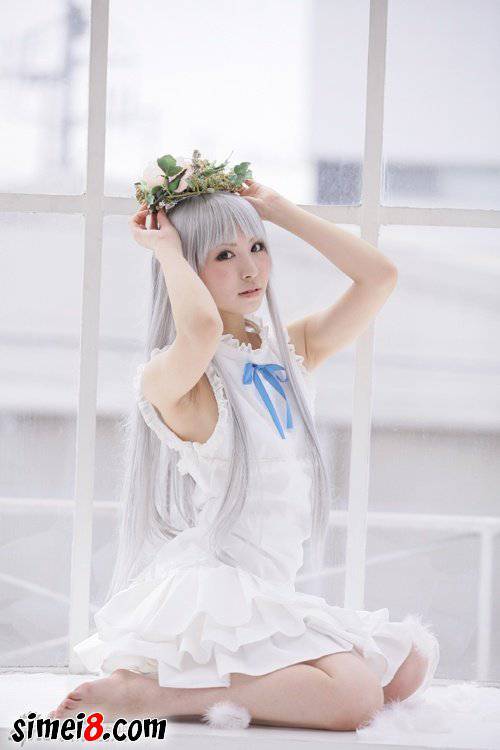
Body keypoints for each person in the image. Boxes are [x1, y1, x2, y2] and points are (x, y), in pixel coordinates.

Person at [50, 177, 439, 731]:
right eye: (224, 256)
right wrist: (166, 250)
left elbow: (380, 277)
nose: (251, 270)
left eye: (257, 248)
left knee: (409, 663)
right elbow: (203, 328)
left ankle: (183, 688)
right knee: (356, 698)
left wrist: (278, 210)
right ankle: (151, 695)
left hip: (272, 588)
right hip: (222, 588)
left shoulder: (287, 352)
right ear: (187, 268)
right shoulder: (174, 376)